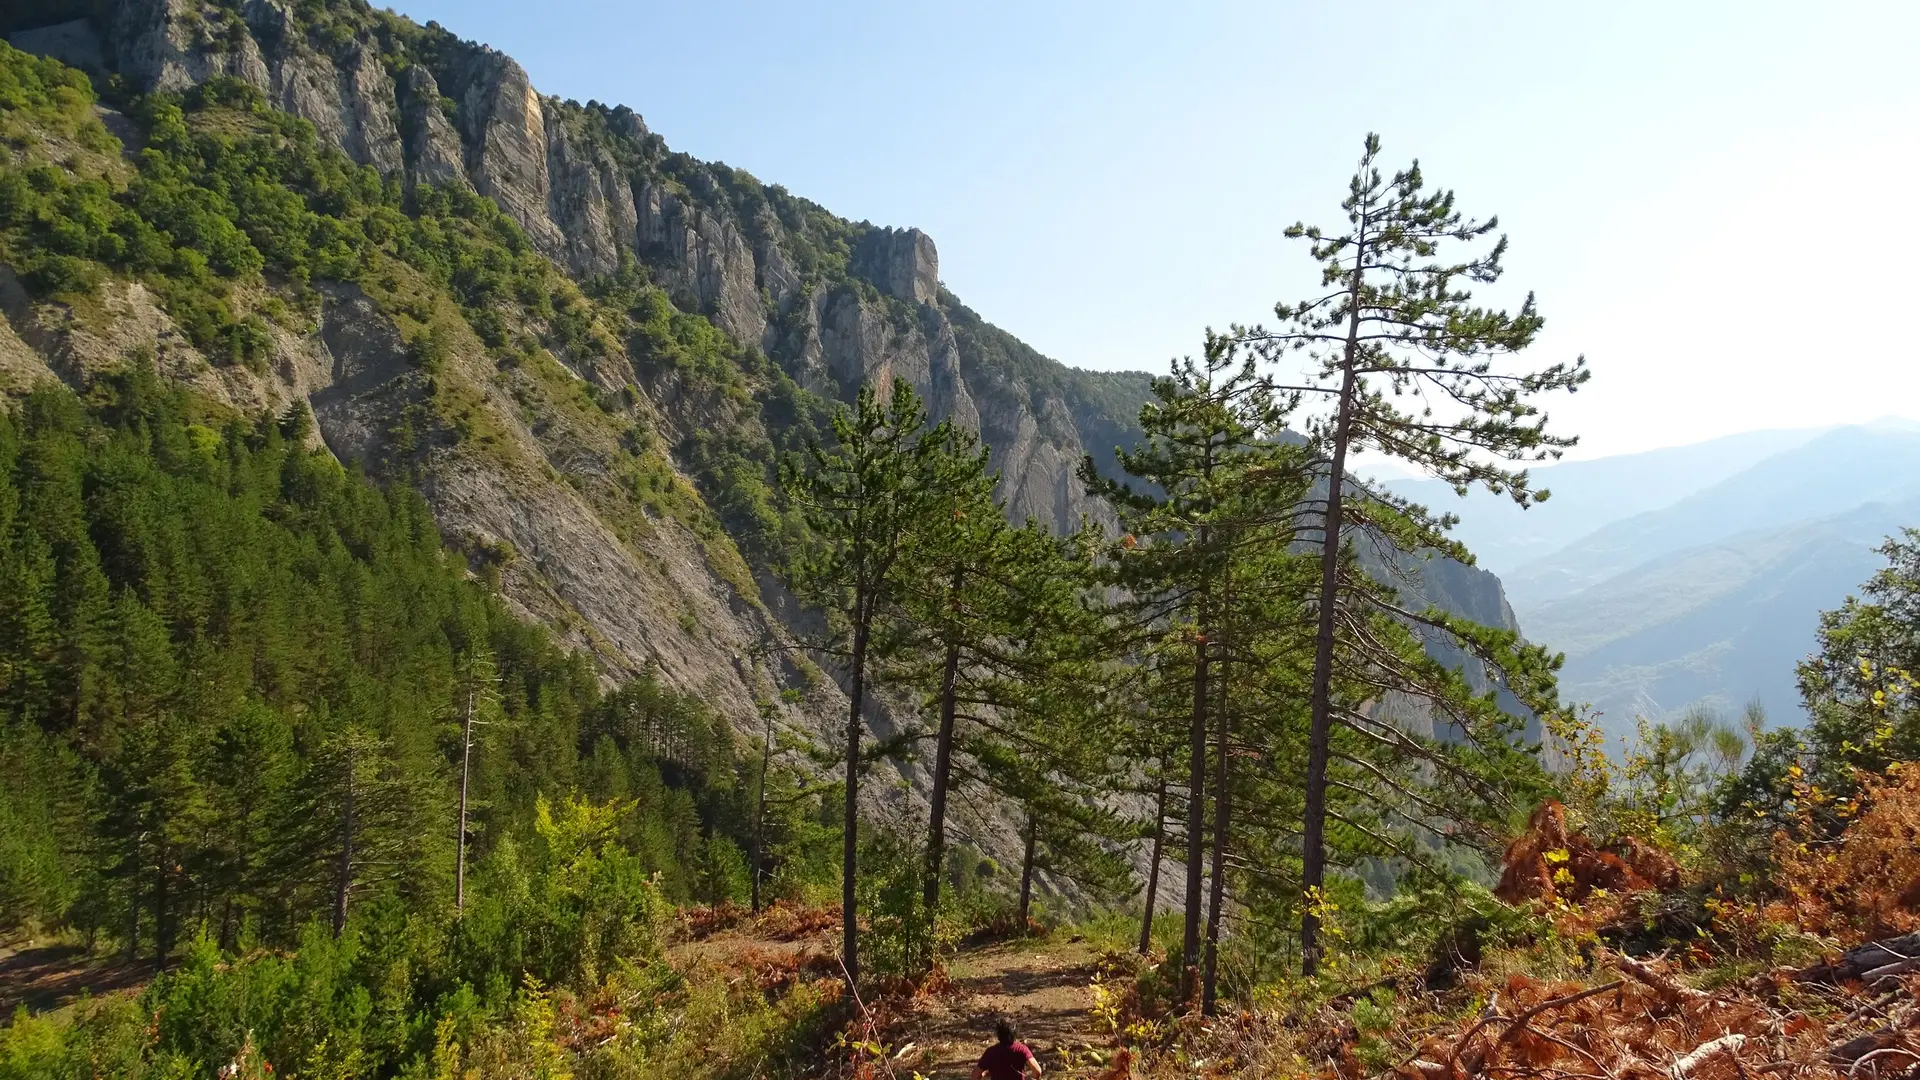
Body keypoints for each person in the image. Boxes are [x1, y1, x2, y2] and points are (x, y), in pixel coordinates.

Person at [973, 1018, 1042, 1080]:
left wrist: (983, 1075)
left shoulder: (991, 1052)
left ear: (998, 1034)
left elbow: (975, 1076)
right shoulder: (1022, 1049)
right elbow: (1037, 1071)